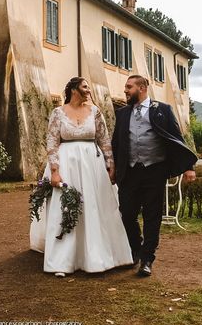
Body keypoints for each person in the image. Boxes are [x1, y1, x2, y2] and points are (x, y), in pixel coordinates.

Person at [30, 77, 133, 276]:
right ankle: (62, 260)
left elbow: (104, 139)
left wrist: (110, 164)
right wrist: (54, 171)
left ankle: (98, 256)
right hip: (66, 164)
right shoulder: (58, 113)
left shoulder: (95, 111)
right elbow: (51, 141)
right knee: (65, 207)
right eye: (85, 86)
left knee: (94, 207)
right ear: (74, 89)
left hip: (92, 165)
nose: (88, 90)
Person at [111, 75, 197, 277]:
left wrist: (188, 166)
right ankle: (136, 248)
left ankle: (147, 258)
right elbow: (117, 143)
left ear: (142, 88)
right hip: (129, 171)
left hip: (154, 171)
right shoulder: (122, 114)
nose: (125, 90)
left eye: (129, 87)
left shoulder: (163, 110)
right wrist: (113, 167)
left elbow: (177, 139)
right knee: (127, 213)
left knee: (152, 216)